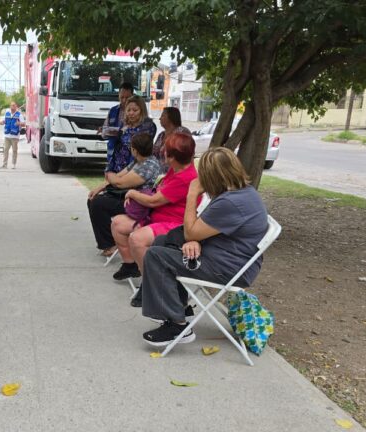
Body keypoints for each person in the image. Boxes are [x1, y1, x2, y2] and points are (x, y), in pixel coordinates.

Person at [141, 147, 268, 346]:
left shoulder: (231, 202)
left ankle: (177, 326)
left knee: (156, 256)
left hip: (230, 267)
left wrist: (192, 194)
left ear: (212, 177)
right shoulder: (241, 192)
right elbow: (199, 228)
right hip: (227, 256)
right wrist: (193, 239)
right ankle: (180, 309)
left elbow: (191, 230)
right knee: (162, 242)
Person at [111, 133, 198, 295]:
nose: (162, 152)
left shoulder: (185, 177)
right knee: (117, 224)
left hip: (175, 225)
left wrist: (132, 193)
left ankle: (150, 286)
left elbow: (153, 201)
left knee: (136, 239)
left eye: (165, 151)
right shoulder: (176, 169)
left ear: (171, 157)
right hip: (155, 217)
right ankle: (131, 265)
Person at [87, 95, 157, 256]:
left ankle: (111, 244)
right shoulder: (137, 161)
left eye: (135, 110)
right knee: (95, 199)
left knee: (98, 204)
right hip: (123, 183)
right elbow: (118, 179)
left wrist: (110, 176)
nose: (131, 113)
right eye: (129, 110)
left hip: (136, 202)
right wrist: (101, 185)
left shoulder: (147, 164)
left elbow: (119, 183)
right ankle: (108, 243)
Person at [152, 107, 191, 172]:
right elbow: (153, 153)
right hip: (157, 173)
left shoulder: (182, 132)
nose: (159, 118)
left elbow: (183, 156)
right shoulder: (161, 135)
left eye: (162, 116)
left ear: (171, 117)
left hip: (175, 173)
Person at [0, 101, 25, 169]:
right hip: (7, 136)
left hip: (15, 136)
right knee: (5, 150)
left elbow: (23, 124)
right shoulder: (7, 114)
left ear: (16, 107)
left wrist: (19, 124)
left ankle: (14, 164)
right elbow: (3, 122)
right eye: (11, 105)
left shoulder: (19, 115)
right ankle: (4, 165)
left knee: (14, 150)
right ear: (10, 106)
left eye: (14, 105)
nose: (12, 107)